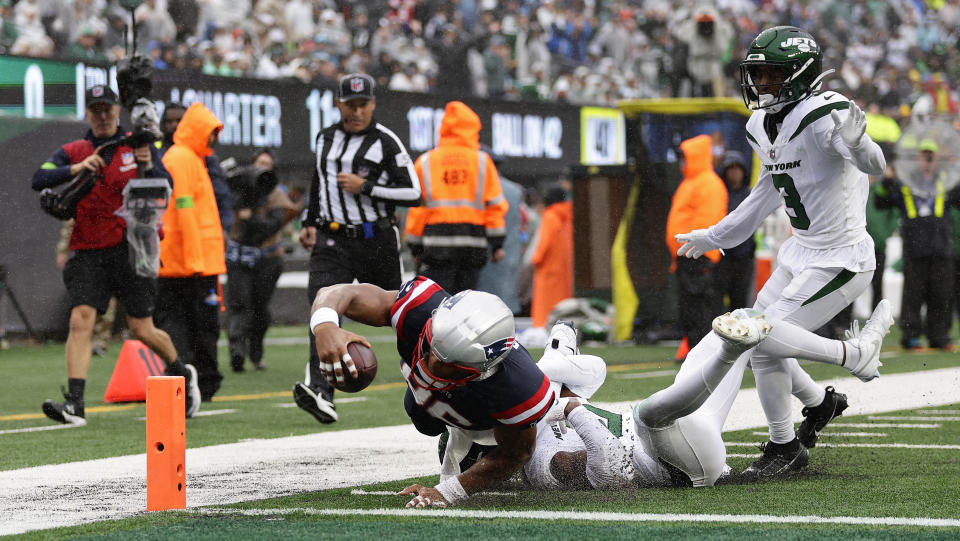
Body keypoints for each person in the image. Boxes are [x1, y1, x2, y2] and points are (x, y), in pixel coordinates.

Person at [674, 26, 887, 478]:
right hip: (800, 251)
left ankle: (803, 421)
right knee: (756, 341)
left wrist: (859, 143)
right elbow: (764, 195)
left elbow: (875, 165)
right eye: (758, 75)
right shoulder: (759, 125)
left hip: (841, 256)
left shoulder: (825, 112)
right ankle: (818, 403)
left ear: (800, 75)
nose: (761, 85)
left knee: (761, 340)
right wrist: (715, 235)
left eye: (771, 75)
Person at [525, 301, 892, 489]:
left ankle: (820, 398)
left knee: (747, 321)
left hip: (690, 430)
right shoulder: (536, 457)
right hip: (677, 466)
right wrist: (572, 409)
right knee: (647, 415)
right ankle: (735, 355)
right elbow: (611, 472)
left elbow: (591, 370)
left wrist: (552, 367)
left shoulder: (543, 405)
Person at [309, 276, 554, 508]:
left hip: (482, 420)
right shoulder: (420, 308)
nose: (432, 363)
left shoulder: (515, 386)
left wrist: (447, 491)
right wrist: (325, 326)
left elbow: (517, 452)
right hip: (434, 404)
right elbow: (338, 293)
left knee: (509, 462)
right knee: (421, 418)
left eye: (450, 365)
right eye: (431, 347)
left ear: (482, 368)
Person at [32, 84, 199, 424]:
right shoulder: (74, 149)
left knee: (142, 328)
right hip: (87, 249)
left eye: (108, 108)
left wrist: (148, 163)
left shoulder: (138, 143)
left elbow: (167, 185)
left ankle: (182, 373)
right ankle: (76, 404)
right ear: (88, 114)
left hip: (130, 248)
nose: (103, 115)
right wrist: (77, 169)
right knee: (81, 319)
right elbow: (40, 177)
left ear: (117, 110)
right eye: (96, 110)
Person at [294, 72, 421, 424]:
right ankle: (321, 390)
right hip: (331, 239)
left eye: (362, 104)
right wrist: (309, 221)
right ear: (338, 104)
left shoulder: (386, 141)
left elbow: (414, 193)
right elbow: (318, 185)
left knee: (398, 313)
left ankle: (426, 382)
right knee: (322, 307)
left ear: (373, 104)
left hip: (374, 238)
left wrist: (365, 187)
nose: (356, 111)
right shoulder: (325, 138)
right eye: (349, 105)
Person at [156, 102, 227, 402]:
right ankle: (193, 379)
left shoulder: (188, 157)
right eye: (211, 132)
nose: (213, 139)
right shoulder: (183, 158)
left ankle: (192, 380)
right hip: (189, 263)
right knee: (195, 325)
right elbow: (183, 208)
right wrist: (196, 259)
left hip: (187, 261)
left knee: (191, 325)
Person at [405, 100, 509, 294]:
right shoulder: (482, 161)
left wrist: (415, 247)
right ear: (472, 128)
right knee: (465, 304)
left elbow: (418, 208)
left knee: (435, 302)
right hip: (473, 245)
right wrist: (497, 245)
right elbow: (494, 205)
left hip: (436, 246)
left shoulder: (426, 161)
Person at [874, 140, 960, 350]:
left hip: (942, 246)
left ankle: (939, 336)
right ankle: (911, 336)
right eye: (924, 155)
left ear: (936, 158)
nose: (928, 159)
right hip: (915, 247)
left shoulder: (946, 181)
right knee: (913, 293)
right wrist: (887, 180)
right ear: (918, 158)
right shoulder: (905, 181)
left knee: (941, 293)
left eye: (932, 155)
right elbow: (880, 202)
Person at [225, 149, 300, 371]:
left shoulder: (277, 195)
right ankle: (237, 353)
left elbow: (272, 226)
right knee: (239, 304)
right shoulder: (236, 189)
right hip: (238, 255)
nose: (263, 167)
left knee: (259, 307)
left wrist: (251, 217)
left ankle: (256, 352)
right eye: (259, 162)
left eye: (267, 164)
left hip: (268, 257)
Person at [665, 134, 728, 358]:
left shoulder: (708, 183)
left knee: (699, 308)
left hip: (697, 255)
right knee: (689, 309)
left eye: (685, 157)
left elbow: (706, 221)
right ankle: (695, 351)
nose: (682, 162)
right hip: (687, 256)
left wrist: (691, 249)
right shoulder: (691, 182)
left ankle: (702, 353)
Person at [156, 101, 233, 235]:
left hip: (200, 230)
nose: (174, 125)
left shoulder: (204, 157)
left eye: (179, 120)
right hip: (166, 230)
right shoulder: (157, 153)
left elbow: (220, 195)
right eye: (169, 121)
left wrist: (224, 227)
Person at [528, 183, 574, 333]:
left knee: (545, 308)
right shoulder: (568, 216)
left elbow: (544, 243)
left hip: (547, 270)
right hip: (564, 269)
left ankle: (544, 330)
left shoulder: (550, 215)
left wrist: (535, 259)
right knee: (561, 306)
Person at [714, 151, 756, 312]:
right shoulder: (719, 193)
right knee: (716, 303)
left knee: (740, 305)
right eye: (730, 168)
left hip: (743, 258)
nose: (734, 172)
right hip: (722, 258)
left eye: (738, 168)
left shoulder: (751, 195)